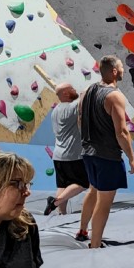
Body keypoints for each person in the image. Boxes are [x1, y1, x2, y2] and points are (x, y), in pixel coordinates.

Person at [78, 55, 134, 249]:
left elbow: (80, 120)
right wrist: (131, 158)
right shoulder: (114, 96)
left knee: (93, 189)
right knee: (104, 202)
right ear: (114, 71)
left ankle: (82, 230)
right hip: (107, 156)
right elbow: (121, 132)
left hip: (88, 152)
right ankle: (95, 244)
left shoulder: (86, 91)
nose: (123, 71)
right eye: (121, 68)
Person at [43, 83, 93, 239]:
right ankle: (56, 203)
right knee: (83, 183)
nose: (74, 90)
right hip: (72, 155)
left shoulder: (55, 111)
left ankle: (61, 215)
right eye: (71, 89)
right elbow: (85, 94)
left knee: (63, 185)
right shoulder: (72, 107)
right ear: (65, 94)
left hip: (58, 155)